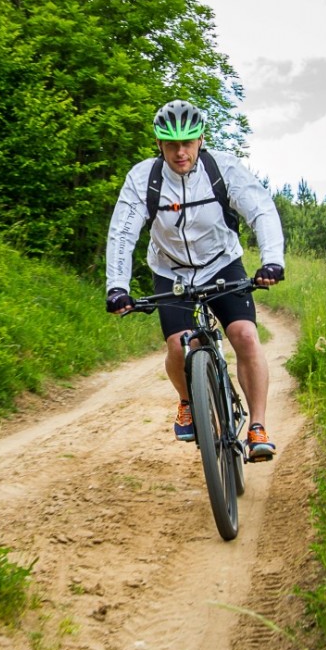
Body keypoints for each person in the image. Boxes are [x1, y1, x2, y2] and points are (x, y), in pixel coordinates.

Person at [105, 99, 285, 460]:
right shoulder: (143, 179)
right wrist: (117, 286)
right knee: (178, 344)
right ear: (159, 143)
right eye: (171, 144)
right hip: (170, 270)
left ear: (201, 139)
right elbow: (122, 233)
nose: (180, 152)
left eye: (187, 142)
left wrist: (272, 262)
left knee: (245, 335)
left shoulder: (223, 169)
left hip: (221, 263)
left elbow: (261, 210)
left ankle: (258, 427)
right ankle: (188, 400)